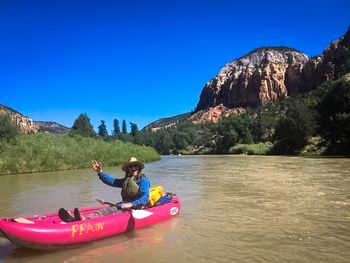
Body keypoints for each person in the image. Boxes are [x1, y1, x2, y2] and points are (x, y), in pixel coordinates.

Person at [58, 157, 150, 222]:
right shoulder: (126, 180)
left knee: (109, 211)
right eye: (130, 167)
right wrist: (100, 172)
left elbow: (145, 197)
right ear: (128, 170)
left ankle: (84, 220)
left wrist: (131, 204)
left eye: (135, 166)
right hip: (123, 206)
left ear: (138, 167)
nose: (133, 168)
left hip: (135, 208)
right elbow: (112, 181)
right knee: (106, 211)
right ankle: (77, 219)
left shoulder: (143, 180)